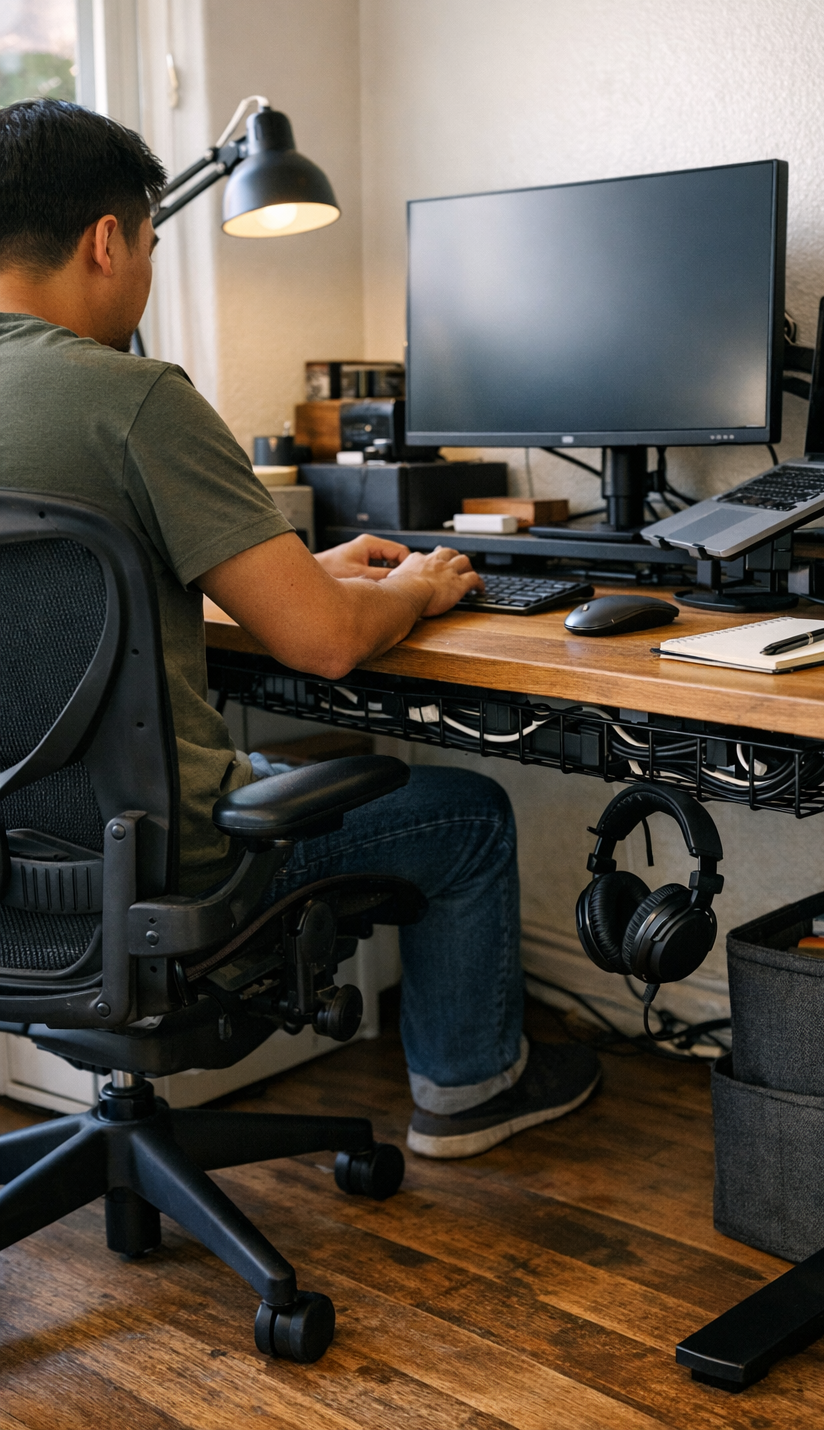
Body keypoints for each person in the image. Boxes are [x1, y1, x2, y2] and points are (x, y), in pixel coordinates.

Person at [0, 98, 599, 1158]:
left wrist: (288, 574)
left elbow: (67, 600)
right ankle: (472, 1091)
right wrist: (417, 587)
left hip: (16, 874)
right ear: (106, 241)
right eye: (150, 243)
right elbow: (323, 645)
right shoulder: (130, 398)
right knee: (467, 813)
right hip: (162, 873)